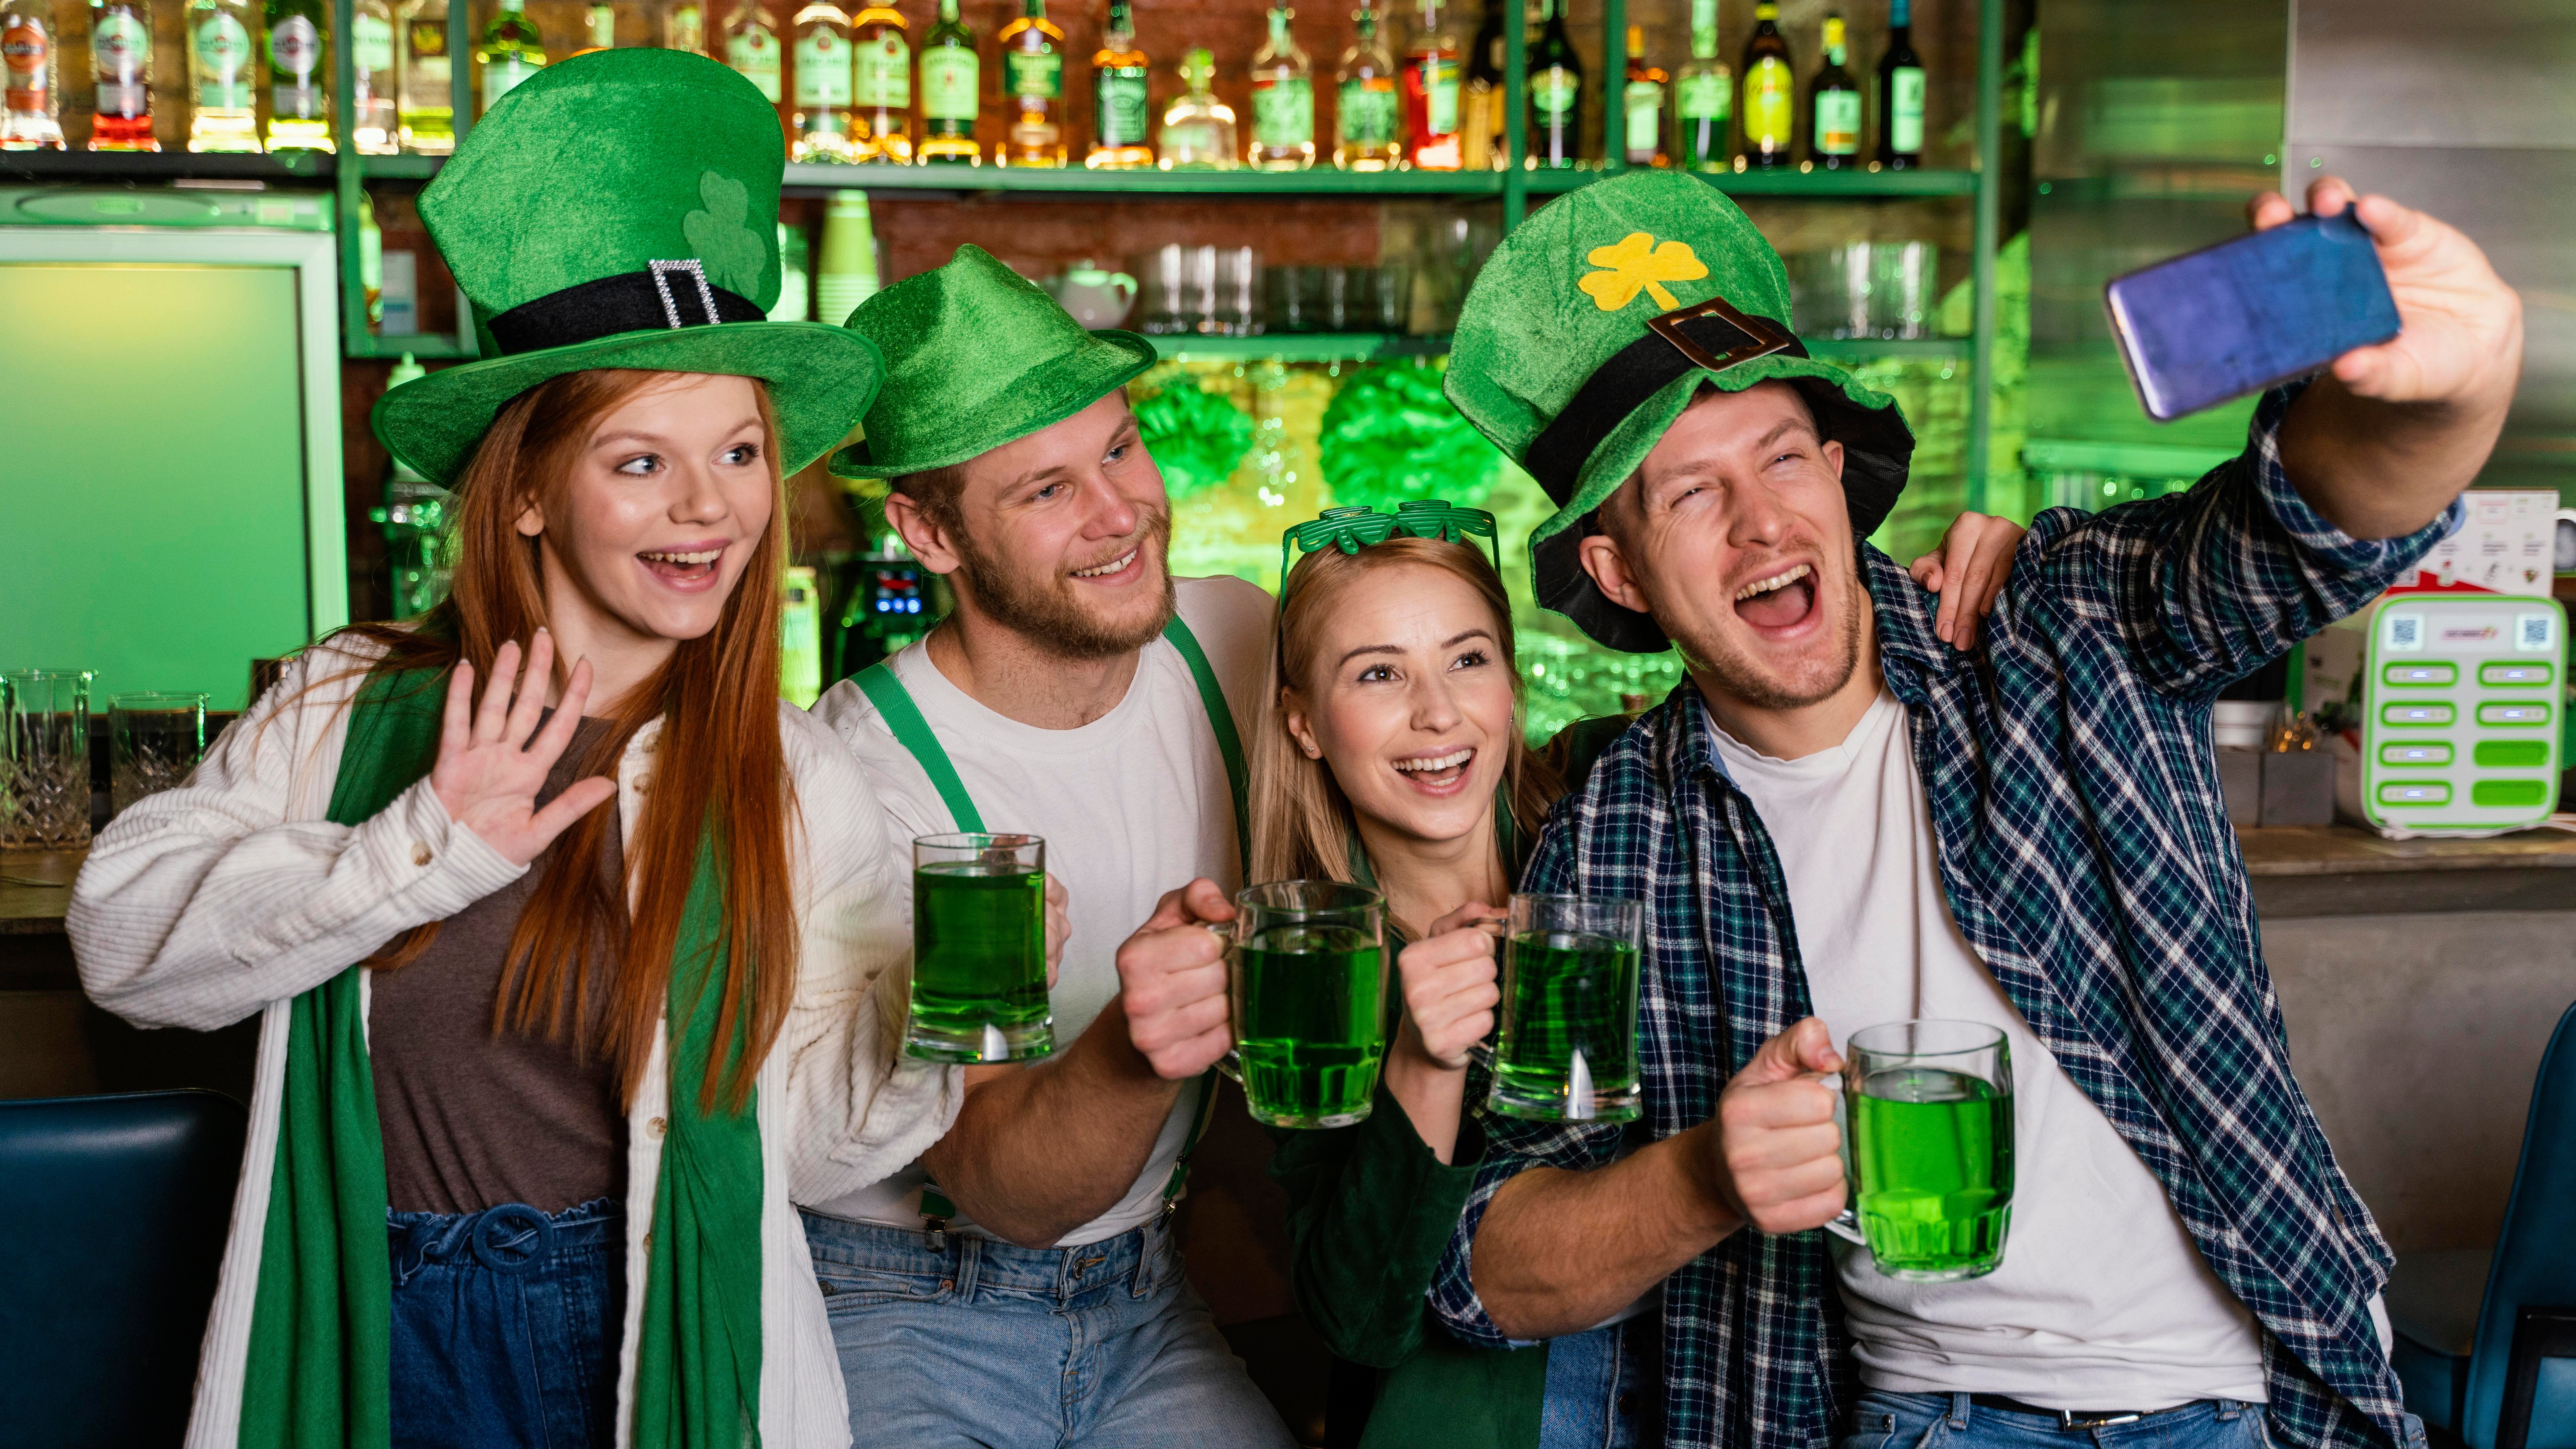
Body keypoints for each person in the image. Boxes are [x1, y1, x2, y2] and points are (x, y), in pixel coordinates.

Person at [1417, 169, 2521, 1449]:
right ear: (1617, 571)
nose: (1760, 520)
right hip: (1916, 1424)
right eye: (1688, 492)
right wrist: (1701, 1176)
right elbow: (1488, 1270)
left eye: (1781, 457)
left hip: (2238, 1402)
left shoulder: (2054, 623)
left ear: (1838, 474)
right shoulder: (1617, 832)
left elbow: (2305, 530)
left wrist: (2446, 388)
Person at [66, 51, 954, 1448]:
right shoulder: (342, 706)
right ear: (530, 490)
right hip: (372, 1309)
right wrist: (426, 843)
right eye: (639, 459)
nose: (708, 508)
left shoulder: (786, 770)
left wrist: (939, 1026)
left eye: (735, 452)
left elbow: (815, 1147)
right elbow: (124, 948)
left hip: (641, 1325)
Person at [1241, 502, 2025, 1449]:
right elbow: (1357, 1322)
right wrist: (1423, 1060)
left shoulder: (1617, 794)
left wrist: (1965, 581)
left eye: (1466, 658)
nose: (1437, 712)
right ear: (1306, 723)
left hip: (1731, 1385)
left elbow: (1776, 678)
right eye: (1376, 673)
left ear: (1511, 678)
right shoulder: (1303, 964)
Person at [800, 245, 1295, 1447]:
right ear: (929, 534)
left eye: (1118, 447)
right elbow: (1002, 1186)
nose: (1122, 513)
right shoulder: (855, 772)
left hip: (1145, 1289)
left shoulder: (1233, 638)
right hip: (894, 1299)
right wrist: (1137, 1043)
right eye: (1045, 489)